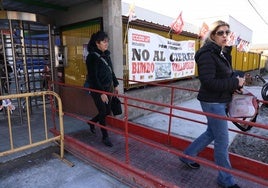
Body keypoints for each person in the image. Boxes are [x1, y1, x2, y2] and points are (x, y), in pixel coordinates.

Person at [179, 20, 245, 188]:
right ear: (213, 35)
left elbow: (223, 76)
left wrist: (235, 84)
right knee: (222, 140)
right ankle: (225, 179)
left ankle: (187, 155)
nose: (225, 35)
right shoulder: (207, 54)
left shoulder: (221, 52)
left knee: (211, 133)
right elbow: (209, 82)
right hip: (212, 102)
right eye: (220, 32)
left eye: (227, 32)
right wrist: (234, 83)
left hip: (220, 100)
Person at [86, 31, 119, 147]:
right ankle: (105, 137)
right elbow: (93, 77)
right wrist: (101, 93)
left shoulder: (107, 55)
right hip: (97, 90)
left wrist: (116, 84)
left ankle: (92, 122)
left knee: (106, 111)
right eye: (104, 42)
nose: (106, 44)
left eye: (107, 41)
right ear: (97, 43)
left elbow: (111, 71)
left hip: (108, 88)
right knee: (103, 111)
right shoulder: (92, 57)